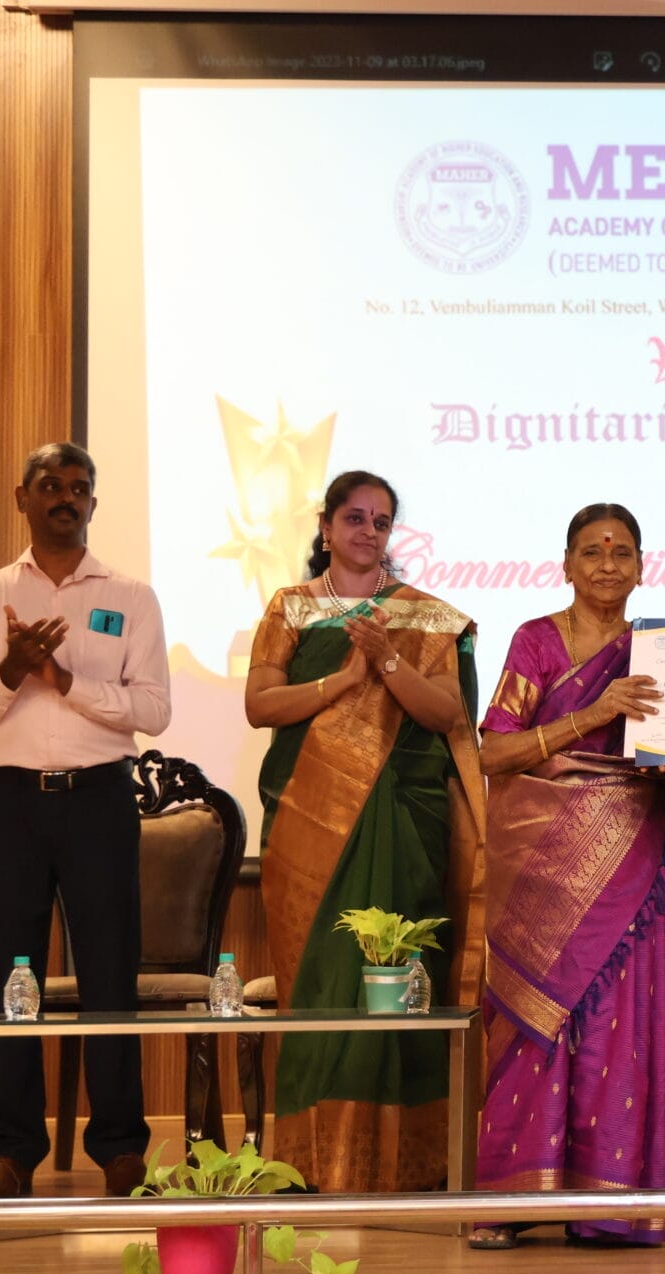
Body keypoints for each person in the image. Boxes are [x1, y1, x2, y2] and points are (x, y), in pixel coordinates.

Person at [244, 469, 486, 1193]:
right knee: (321, 985)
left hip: (403, 826)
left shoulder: (427, 618)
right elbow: (261, 706)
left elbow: (447, 716)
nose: (368, 531)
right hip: (307, 826)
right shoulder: (290, 607)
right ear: (326, 528)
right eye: (354, 518)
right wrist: (345, 680)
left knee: (396, 976)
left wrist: (384, 658)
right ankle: (312, 1161)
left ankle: (407, 1161)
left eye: (381, 521)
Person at [0, 442, 169, 1199]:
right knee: (12, 973)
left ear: (94, 503)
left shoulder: (131, 595)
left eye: (79, 487)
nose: (65, 497)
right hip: (11, 803)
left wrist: (65, 680)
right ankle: (13, 1149)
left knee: (109, 969)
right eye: (50, 485)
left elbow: (155, 710)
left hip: (100, 799)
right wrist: (10, 672)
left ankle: (121, 1147)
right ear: (23, 498)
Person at [471, 503, 665, 1249]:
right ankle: (511, 1200)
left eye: (622, 552)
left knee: (615, 1028)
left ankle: (608, 1203)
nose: (607, 564)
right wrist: (592, 713)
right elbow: (494, 752)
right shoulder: (536, 641)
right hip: (537, 870)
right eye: (592, 551)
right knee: (532, 1023)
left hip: (629, 862)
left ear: (642, 567)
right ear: (565, 564)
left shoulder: (664, 651)